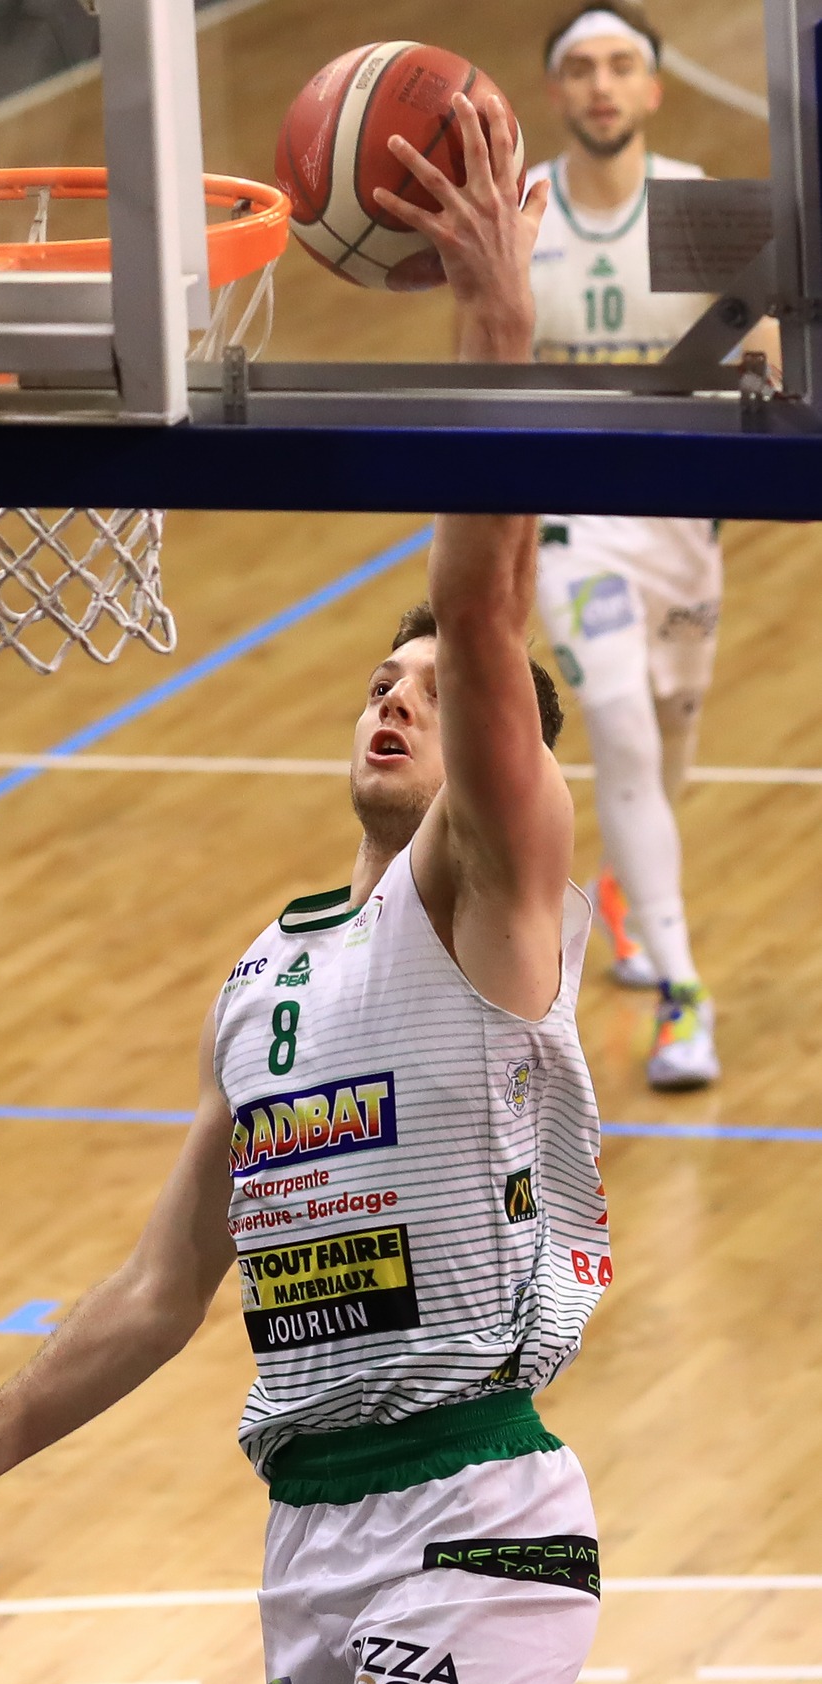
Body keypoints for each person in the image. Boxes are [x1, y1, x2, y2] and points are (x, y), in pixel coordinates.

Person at [0, 101, 610, 1684]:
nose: (396, 694)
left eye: (433, 692)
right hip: (309, 1532)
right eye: (377, 678)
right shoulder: (267, 976)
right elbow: (157, 1288)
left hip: (475, 1514)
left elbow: (481, 609)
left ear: (504, 763)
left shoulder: (489, 899)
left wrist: (493, 337)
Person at [529, 1, 726, 1087]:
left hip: (682, 522)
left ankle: (622, 892)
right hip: (573, 523)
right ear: (556, 90)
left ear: (650, 88)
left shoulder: (697, 205)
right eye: (581, 69)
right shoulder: (522, 211)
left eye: (620, 67)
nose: (601, 85)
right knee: (616, 725)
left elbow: (767, 359)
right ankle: (684, 998)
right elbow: (477, 363)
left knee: (668, 736)